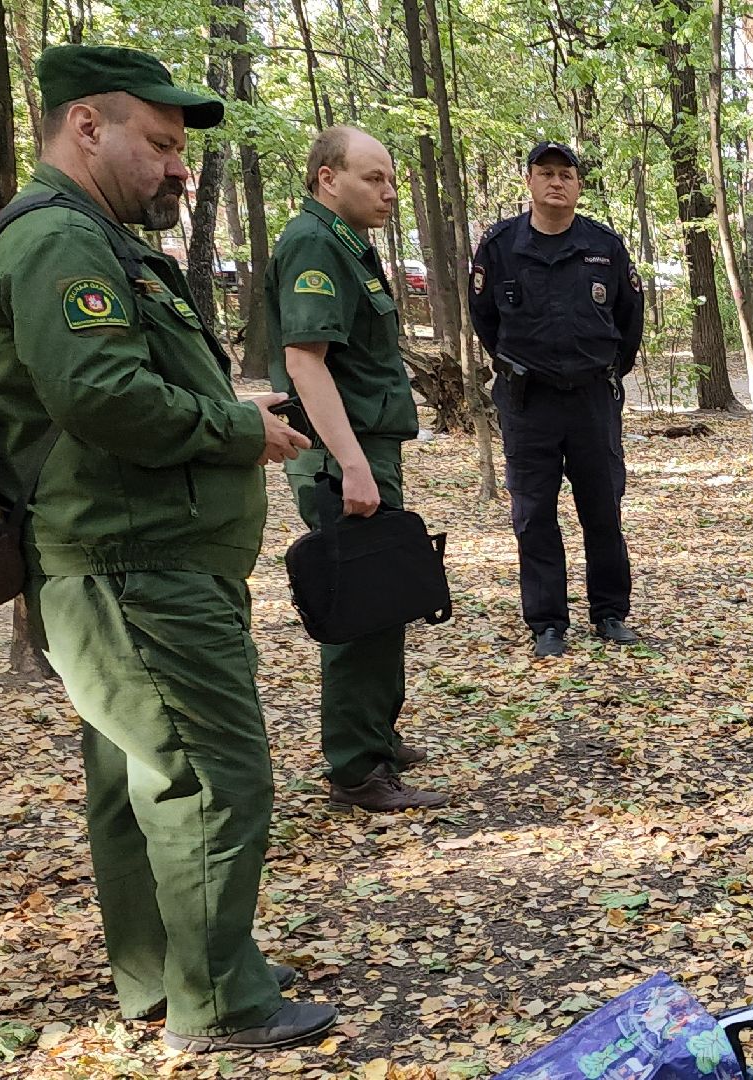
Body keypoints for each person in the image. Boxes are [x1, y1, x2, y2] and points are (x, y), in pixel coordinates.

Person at [0, 44, 333, 1052]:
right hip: (131, 568)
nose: (180, 169)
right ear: (87, 126)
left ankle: (168, 974)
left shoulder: (90, 237)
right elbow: (99, 395)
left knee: (143, 779)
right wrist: (236, 430)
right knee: (213, 776)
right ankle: (219, 1002)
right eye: (162, 144)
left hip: (137, 559)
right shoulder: (60, 240)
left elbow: (114, 381)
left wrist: (226, 409)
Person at [263, 126, 445, 813]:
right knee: (361, 601)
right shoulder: (313, 243)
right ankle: (357, 770)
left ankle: (375, 737)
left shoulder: (346, 243)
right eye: (374, 178)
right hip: (345, 455)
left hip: (365, 448)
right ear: (327, 178)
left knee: (384, 594)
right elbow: (304, 361)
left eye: (392, 179)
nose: (389, 192)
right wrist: (351, 464)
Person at [468, 142, 645, 657]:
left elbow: (629, 318)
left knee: (603, 508)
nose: (556, 182)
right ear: (529, 181)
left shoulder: (603, 246)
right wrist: (521, 368)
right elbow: (485, 320)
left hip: (591, 399)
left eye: (566, 174)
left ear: (578, 185)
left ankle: (609, 612)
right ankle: (547, 622)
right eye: (545, 173)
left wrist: (604, 371)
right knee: (533, 514)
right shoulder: (501, 246)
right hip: (528, 402)